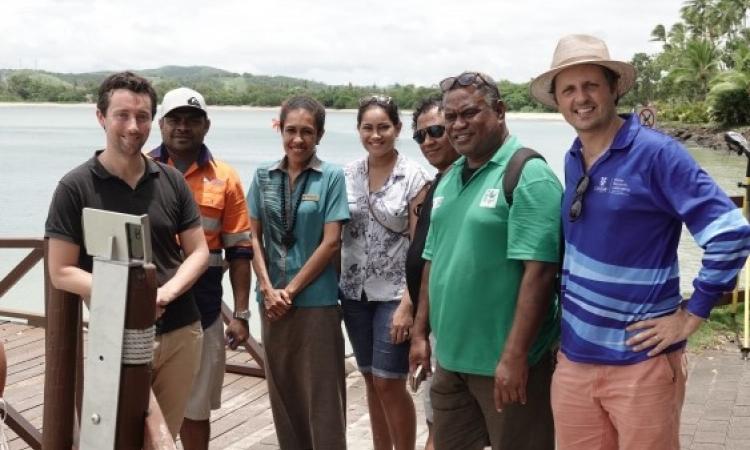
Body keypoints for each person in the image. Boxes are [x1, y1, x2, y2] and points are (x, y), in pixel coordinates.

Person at [529, 34, 750, 450]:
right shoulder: (573, 156)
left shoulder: (657, 154)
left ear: (614, 88)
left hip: (640, 365)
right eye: (569, 89)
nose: (581, 98)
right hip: (574, 362)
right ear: (557, 101)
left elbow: (730, 233)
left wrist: (691, 315)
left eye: (591, 85)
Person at [45, 71, 209, 438]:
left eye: (143, 116)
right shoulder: (75, 187)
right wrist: (132, 296)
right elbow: (61, 271)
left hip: (182, 330)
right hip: (115, 333)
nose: (133, 126)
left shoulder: (171, 181)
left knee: (166, 435)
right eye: (122, 115)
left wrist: (164, 293)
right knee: (115, 437)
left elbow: (198, 251)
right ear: (101, 117)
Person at [410, 71, 561, 450]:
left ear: (500, 111)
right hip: (450, 362)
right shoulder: (449, 177)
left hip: (506, 366)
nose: (457, 125)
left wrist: (514, 358)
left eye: (470, 113)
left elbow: (539, 273)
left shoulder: (528, 175)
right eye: (450, 117)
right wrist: (419, 333)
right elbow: (433, 259)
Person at [148, 87, 252, 450]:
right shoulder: (141, 169)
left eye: (192, 120)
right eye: (174, 119)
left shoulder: (225, 177)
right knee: (137, 408)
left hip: (204, 311)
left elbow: (240, 250)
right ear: (160, 124)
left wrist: (240, 313)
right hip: (147, 309)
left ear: (206, 126)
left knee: (196, 411)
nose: (182, 127)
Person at [248, 95, 350, 450]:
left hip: (316, 302)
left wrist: (288, 291)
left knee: (323, 396)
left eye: (307, 131)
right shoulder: (263, 176)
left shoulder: (331, 177)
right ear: (280, 130)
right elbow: (253, 236)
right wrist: (266, 286)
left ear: (319, 135)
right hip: (271, 304)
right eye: (291, 130)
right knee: (283, 392)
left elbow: (332, 241)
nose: (298, 139)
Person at [340, 95, 428, 450]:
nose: (375, 135)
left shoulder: (415, 176)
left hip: (395, 295)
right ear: (359, 130)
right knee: (369, 379)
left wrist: (409, 306)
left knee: (390, 382)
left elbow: (420, 245)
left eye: (383, 127)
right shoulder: (347, 174)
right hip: (353, 293)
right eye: (368, 128)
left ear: (398, 129)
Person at [405, 96, 460, 450]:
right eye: (420, 136)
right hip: (433, 325)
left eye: (436, 131)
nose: (429, 142)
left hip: (458, 331)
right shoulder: (436, 186)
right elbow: (426, 259)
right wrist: (418, 327)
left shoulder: (464, 183)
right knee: (434, 419)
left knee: (446, 427)